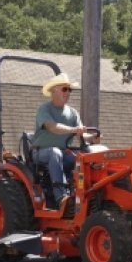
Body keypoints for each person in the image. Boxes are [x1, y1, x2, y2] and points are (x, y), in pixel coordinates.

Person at [32, 72, 86, 209]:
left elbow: (81, 134)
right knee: (55, 153)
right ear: (54, 90)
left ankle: (83, 195)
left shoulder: (73, 113)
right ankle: (60, 197)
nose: (68, 93)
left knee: (84, 158)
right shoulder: (44, 109)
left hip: (63, 153)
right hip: (41, 153)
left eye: (70, 90)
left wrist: (93, 137)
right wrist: (73, 130)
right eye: (65, 89)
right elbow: (52, 127)